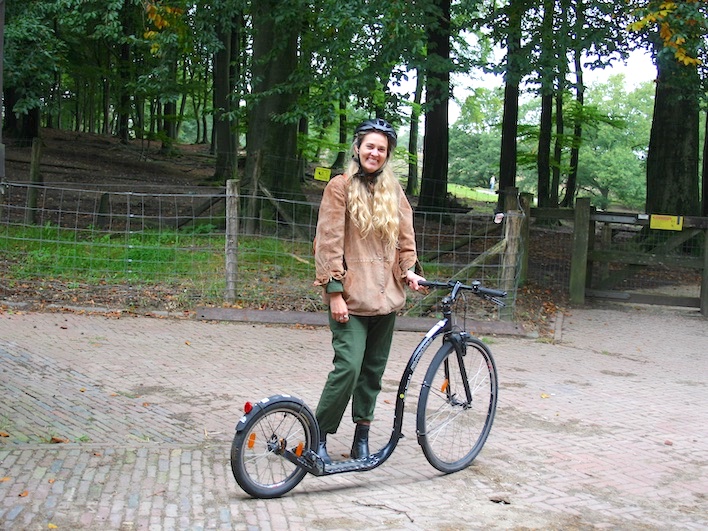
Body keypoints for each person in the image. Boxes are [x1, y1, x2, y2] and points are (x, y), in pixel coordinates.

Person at [313, 118, 425, 464]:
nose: (374, 153)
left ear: (387, 153)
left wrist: (409, 272)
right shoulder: (340, 187)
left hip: (386, 299)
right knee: (348, 367)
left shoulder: (394, 191)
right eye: (369, 146)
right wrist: (334, 291)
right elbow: (327, 241)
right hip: (350, 298)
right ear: (358, 148)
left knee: (373, 371)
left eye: (381, 148)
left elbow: (406, 240)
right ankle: (318, 437)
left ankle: (362, 435)